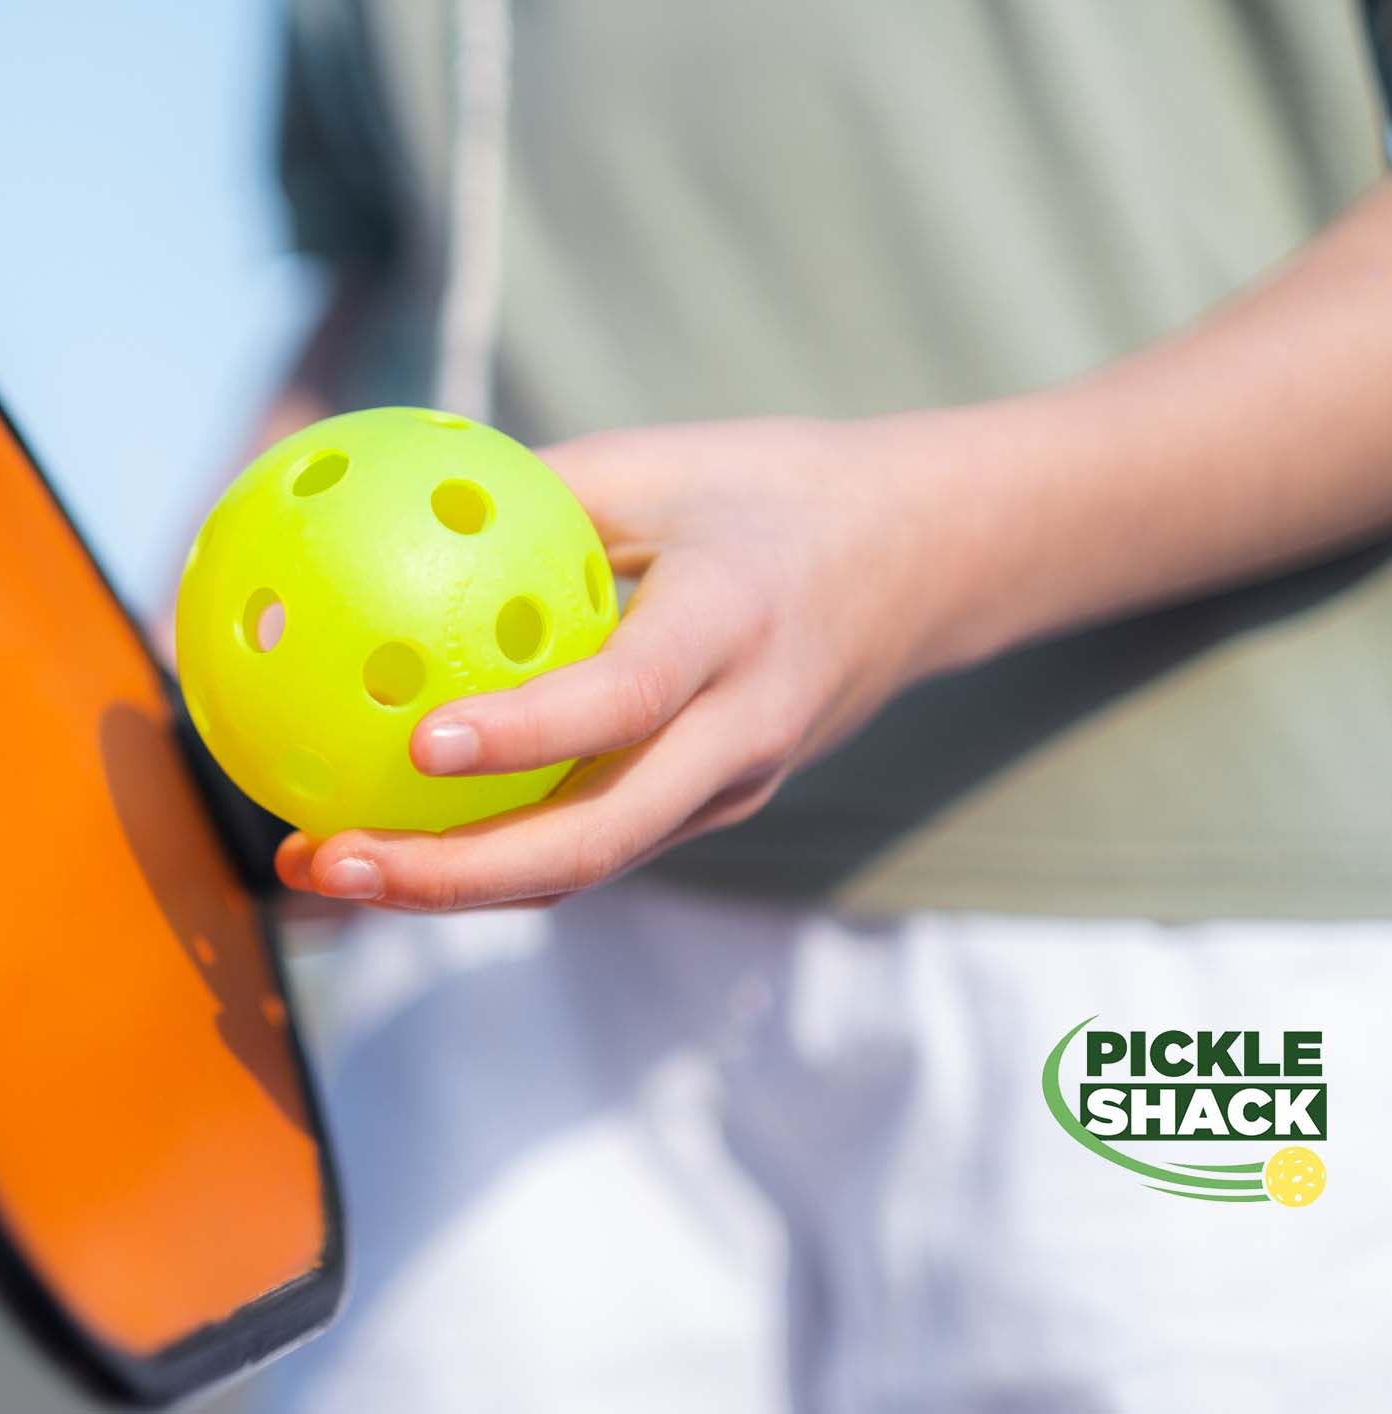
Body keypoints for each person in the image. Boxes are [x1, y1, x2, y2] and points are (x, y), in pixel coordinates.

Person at [233, 2, 1392, 1410]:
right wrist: (208, 708)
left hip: (1175, 911)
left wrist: (923, 543)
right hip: (494, 955)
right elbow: (385, 258)